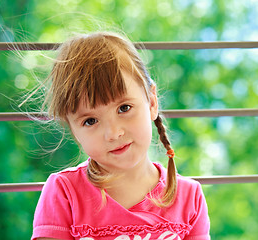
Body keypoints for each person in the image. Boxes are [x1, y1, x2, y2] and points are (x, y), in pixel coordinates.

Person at [30, 31, 210, 240]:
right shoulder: (64, 193)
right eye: (90, 121)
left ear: (152, 102)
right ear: (73, 129)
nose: (114, 133)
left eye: (124, 108)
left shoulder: (190, 197)